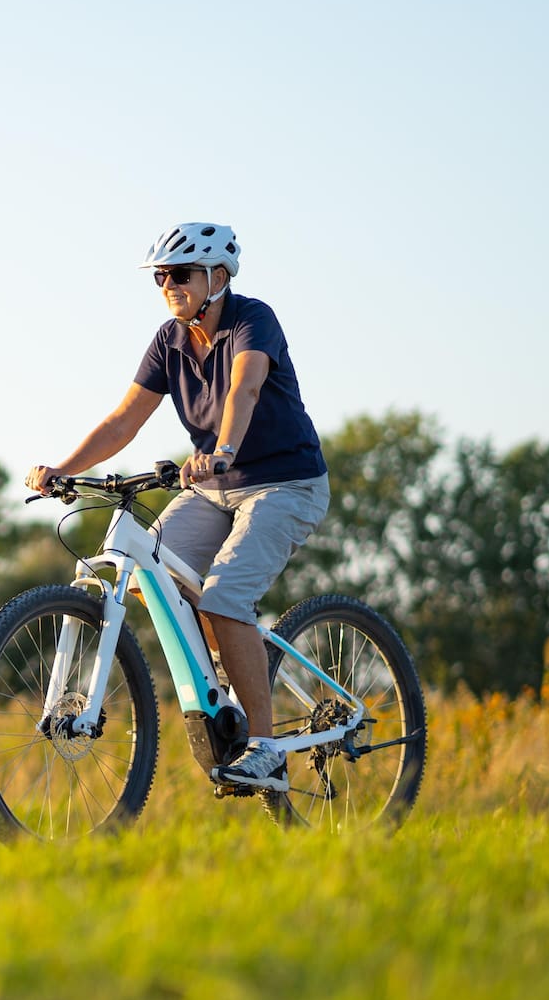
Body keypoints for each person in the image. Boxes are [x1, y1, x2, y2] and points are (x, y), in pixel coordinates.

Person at [24, 222, 329, 793]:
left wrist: (223, 451)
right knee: (145, 578)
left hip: (284, 484)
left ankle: (264, 749)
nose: (169, 285)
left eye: (180, 275)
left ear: (217, 277)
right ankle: (231, 674)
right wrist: (64, 469)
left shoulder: (251, 319)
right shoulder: (169, 340)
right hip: (211, 488)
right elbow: (123, 420)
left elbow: (244, 390)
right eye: (161, 277)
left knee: (225, 596)